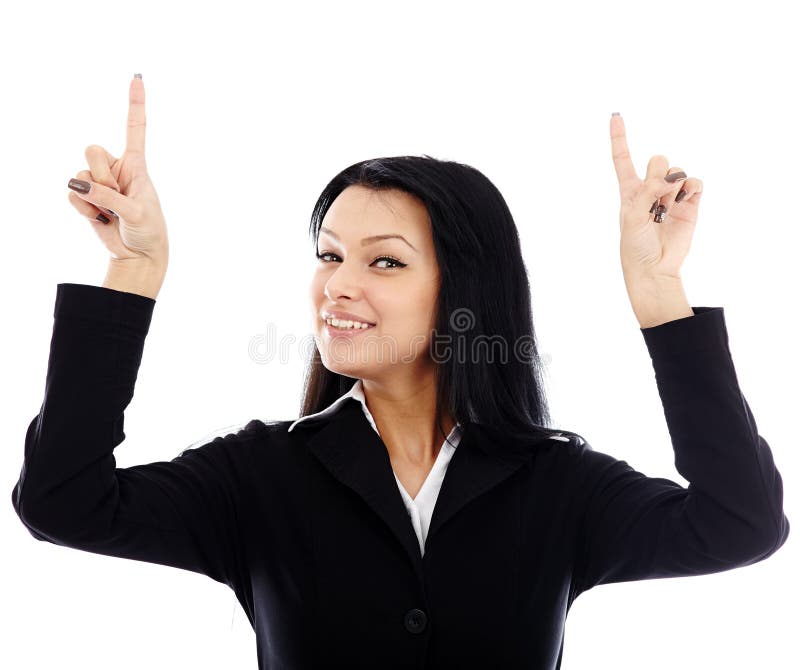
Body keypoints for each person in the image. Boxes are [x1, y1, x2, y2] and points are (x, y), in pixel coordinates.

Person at [11, 75, 790, 670]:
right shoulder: (260, 475)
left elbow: (741, 524)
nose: (338, 286)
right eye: (329, 256)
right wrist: (135, 271)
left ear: (464, 292)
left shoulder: (556, 484)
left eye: (384, 261)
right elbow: (63, 502)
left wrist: (660, 296)